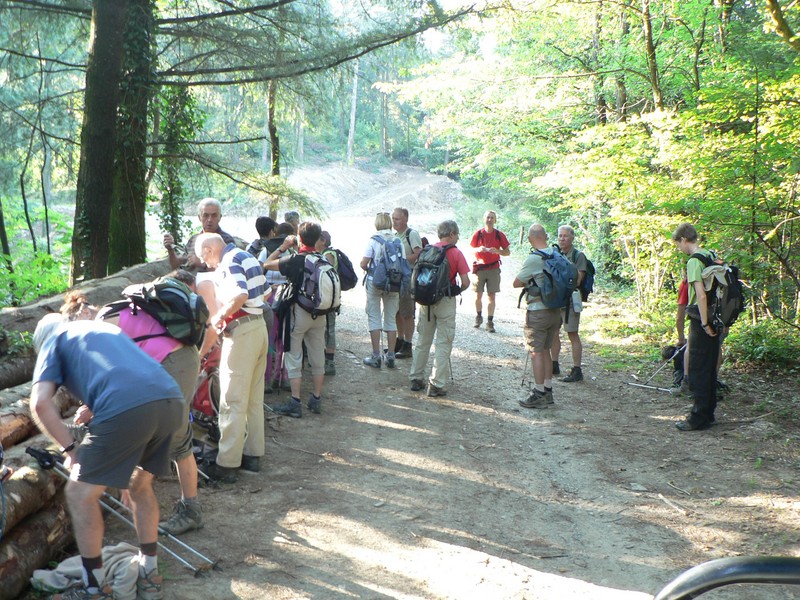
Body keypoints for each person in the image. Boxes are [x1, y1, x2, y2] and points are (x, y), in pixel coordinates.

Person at [30, 317, 184, 600]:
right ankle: (149, 576)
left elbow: (40, 403)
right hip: (170, 399)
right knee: (139, 485)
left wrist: (71, 451)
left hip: (128, 404)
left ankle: (94, 589)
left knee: (79, 494)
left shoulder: (54, 340)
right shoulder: (102, 328)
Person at [97, 270, 205, 536]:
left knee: (168, 434)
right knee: (177, 436)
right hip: (179, 358)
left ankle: (185, 509)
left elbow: (114, 374)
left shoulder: (100, 326)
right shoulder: (114, 313)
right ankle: (189, 508)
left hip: (174, 362)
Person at [195, 233, 269, 483]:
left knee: (232, 399)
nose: (205, 264)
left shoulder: (228, 263)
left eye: (203, 257)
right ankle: (252, 455)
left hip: (241, 332)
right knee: (253, 398)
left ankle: (227, 464)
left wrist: (220, 317)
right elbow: (266, 292)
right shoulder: (247, 256)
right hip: (258, 326)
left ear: (209, 249)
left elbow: (240, 294)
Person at [263, 222, 327, 418]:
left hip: (298, 314)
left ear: (299, 238)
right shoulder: (323, 260)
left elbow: (266, 264)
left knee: (293, 355)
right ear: (317, 239)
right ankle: (316, 398)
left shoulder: (295, 260)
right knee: (317, 356)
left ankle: (295, 401)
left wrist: (283, 247)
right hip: (320, 314)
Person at [408, 220, 470, 397]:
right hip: (445, 301)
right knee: (443, 343)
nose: (457, 238)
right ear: (451, 234)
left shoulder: (427, 251)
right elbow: (466, 282)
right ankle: (436, 384)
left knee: (423, 341)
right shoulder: (456, 253)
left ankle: (416, 377)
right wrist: (455, 290)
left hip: (425, 302)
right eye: (457, 234)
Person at [671, 222, 719, 431]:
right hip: (717, 316)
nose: (679, 248)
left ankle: (697, 418)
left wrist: (705, 322)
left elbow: (700, 295)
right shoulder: (710, 254)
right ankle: (708, 413)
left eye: (678, 244)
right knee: (709, 367)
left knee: (698, 367)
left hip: (702, 319)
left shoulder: (694, 261)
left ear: (684, 239)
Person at [513, 224, 563, 409]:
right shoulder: (556, 254)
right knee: (546, 350)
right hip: (555, 310)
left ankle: (538, 393)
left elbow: (517, 282)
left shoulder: (534, 259)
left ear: (529, 239)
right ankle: (548, 391)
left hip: (538, 310)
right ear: (546, 236)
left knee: (536, 352)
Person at [360, 212, 403, 369]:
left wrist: (367, 268)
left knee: (374, 317)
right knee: (391, 319)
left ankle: (376, 356)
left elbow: (364, 263)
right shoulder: (397, 240)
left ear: (377, 224)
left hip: (375, 282)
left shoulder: (373, 240)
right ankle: (391, 356)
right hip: (393, 284)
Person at [550, 225, 587, 382]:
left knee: (572, 333)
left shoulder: (579, 256)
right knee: (553, 331)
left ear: (572, 238)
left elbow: (578, 280)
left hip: (571, 299)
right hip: (555, 298)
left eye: (565, 236)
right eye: (560, 236)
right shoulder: (554, 253)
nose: (562, 239)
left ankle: (577, 370)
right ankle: (554, 364)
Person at [163, 198, 237, 272]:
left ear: (219, 217)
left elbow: (231, 268)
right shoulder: (193, 240)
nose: (210, 220)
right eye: (205, 215)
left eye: (214, 215)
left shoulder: (225, 240)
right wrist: (170, 249)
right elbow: (175, 267)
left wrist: (202, 263)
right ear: (199, 218)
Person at [469, 210, 510, 334]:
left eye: (492, 218)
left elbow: (507, 252)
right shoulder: (478, 234)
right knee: (478, 294)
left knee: (491, 296)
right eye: (488, 217)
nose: (490, 220)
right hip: (480, 268)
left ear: (495, 220)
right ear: (484, 219)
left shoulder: (499, 235)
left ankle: (490, 321)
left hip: (493, 268)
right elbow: (471, 250)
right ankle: (478, 316)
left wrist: (498, 251)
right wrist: (478, 249)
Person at [392, 207, 423, 358]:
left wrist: (401, 260)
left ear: (405, 219)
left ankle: (408, 345)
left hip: (408, 277)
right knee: (397, 311)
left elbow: (418, 254)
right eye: (393, 219)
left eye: (397, 219)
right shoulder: (395, 236)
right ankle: (399, 341)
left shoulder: (412, 234)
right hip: (397, 278)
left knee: (407, 312)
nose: (394, 222)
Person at [317, 230, 339, 376]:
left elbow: (327, 273)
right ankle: (322, 357)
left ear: (323, 241)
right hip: (328, 296)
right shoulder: (325, 253)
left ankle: (329, 361)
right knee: (324, 327)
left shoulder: (328, 254)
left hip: (329, 297)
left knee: (329, 327)